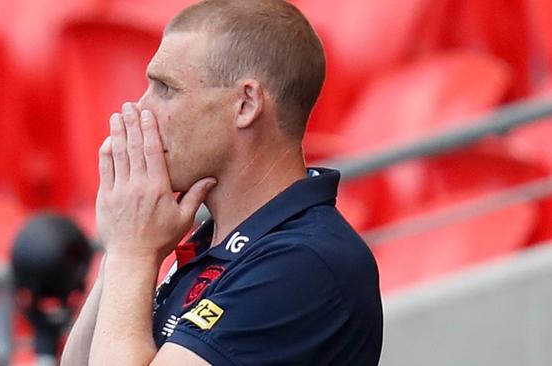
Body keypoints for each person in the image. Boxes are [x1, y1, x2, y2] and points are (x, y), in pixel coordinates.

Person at [61, 0, 383, 365]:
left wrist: (132, 252)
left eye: (166, 88)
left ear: (246, 104)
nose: (140, 108)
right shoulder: (213, 242)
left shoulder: (305, 263)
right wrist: (125, 247)